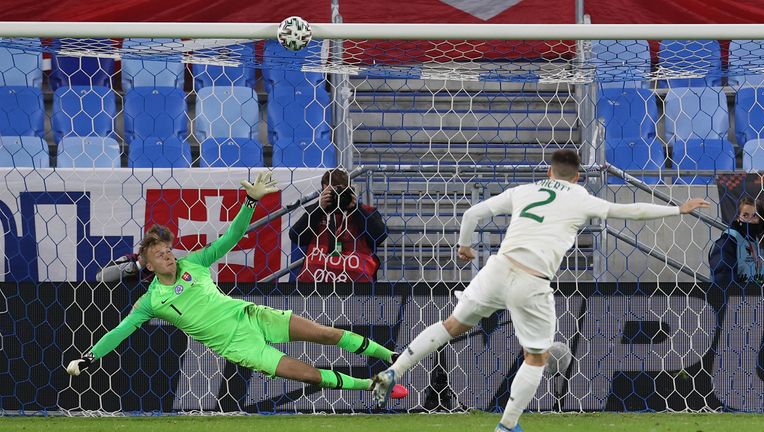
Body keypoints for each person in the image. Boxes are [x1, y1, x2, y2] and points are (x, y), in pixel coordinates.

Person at [371, 149, 710, 431]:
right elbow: (629, 212)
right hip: (531, 280)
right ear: (577, 177)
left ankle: (394, 370)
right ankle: (507, 425)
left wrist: (463, 246)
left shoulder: (525, 190)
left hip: (497, 268)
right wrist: (677, 208)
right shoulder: (582, 198)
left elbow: (473, 212)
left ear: (550, 172)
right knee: (537, 356)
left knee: (451, 326)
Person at [67, 173, 407, 400]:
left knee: (327, 333)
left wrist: (251, 201)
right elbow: (120, 331)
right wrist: (90, 356)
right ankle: (372, 385)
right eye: (161, 254)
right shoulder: (151, 301)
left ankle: (390, 355)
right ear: (149, 264)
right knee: (311, 376)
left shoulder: (193, 264)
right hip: (241, 347)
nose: (169, 256)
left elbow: (232, 237)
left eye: (169, 250)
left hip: (253, 315)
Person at [289, 168, 387, 283]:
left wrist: (356, 209)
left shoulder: (365, 211)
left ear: (350, 190)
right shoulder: (315, 212)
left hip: (356, 282)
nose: (337, 196)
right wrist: (318, 208)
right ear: (323, 191)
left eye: (341, 191)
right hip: (317, 281)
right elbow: (296, 237)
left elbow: (379, 237)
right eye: (332, 192)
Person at [709, 196, 764, 289]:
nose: (749, 219)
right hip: (735, 299)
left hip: (758, 299)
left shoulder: (759, 242)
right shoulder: (728, 241)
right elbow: (722, 277)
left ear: (761, 219)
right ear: (738, 217)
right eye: (745, 215)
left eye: (755, 216)